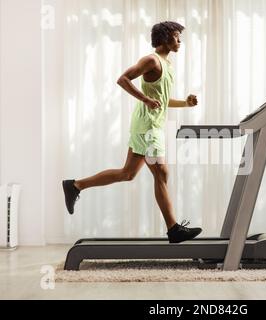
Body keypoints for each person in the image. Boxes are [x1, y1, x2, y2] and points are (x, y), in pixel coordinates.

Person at [62, 21, 202, 244]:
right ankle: (173, 229)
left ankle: (75, 185)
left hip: (150, 125)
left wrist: (185, 103)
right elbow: (122, 79)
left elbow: (162, 102)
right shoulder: (151, 60)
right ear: (165, 37)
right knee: (161, 173)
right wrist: (144, 99)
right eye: (176, 36)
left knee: (128, 173)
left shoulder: (167, 65)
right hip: (148, 127)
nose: (179, 41)